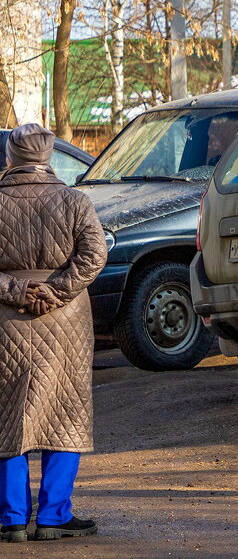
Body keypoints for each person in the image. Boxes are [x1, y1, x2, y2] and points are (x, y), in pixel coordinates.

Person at [0, 124, 106, 542]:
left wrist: (18, 290)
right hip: (65, 321)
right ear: (48, 157)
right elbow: (95, 255)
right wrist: (56, 290)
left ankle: (10, 519)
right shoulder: (75, 201)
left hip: (7, 321)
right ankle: (54, 515)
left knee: (8, 413)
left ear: (10, 157)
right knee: (65, 410)